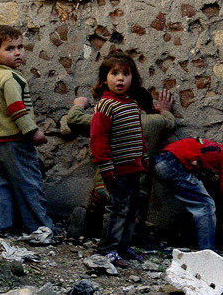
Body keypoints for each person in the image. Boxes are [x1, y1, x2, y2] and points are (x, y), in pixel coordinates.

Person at [64, 88, 175, 239]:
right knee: (130, 217)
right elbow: (171, 123)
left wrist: (79, 104)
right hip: (137, 191)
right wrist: (164, 110)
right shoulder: (156, 122)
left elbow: (74, 120)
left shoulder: (108, 117)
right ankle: (132, 226)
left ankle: (89, 221)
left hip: (104, 187)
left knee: (100, 211)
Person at [0, 25, 53, 234]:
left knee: (1, 185)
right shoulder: (11, 78)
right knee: (29, 184)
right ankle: (40, 228)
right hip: (15, 141)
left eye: (20, 47)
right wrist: (32, 132)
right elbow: (16, 109)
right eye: (10, 48)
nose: (17, 53)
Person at [152, 130, 223, 250]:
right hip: (174, 163)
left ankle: (186, 240)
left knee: (198, 203)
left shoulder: (218, 152)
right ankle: (207, 251)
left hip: (162, 161)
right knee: (205, 206)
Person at [89, 52, 148, 261]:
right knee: (117, 209)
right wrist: (105, 164)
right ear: (105, 79)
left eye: (126, 74)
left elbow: (137, 134)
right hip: (116, 169)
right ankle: (107, 248)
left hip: (133, 167)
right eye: (114, 74)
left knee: (131, 208)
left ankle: (123, 246)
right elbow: (98, 138)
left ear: (133, 78)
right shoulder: (105, 106)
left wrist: (143, 156)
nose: (120, 78)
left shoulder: (132, 105)